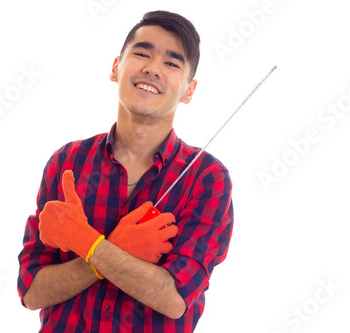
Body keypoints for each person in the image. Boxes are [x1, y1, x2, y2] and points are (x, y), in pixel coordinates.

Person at [17, 10, 234, 332]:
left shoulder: (206, 177)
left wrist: (86, 241)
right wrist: (114, 252)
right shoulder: (68, 162)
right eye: (142, 53)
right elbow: (33, 292)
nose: (152, 68)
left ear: (189, 90)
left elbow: (174, 298)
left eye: (172, 63)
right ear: (116, 68)